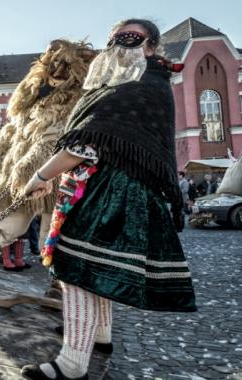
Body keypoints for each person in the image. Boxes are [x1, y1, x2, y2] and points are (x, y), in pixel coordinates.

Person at [20, 19, 196, 380]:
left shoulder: (138, 85)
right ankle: (100, 336)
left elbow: (87, 144)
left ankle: (71, 366)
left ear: (151, 46)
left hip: (110, 193)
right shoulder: (147, 81)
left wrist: (40, 177)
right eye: (115, 38)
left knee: (77, 270)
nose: (120, 44)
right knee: (97, 269)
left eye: (131, 38)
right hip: (115, 190)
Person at [0, 39, 96, 274]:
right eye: (54, 64)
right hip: (19, 170)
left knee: (54, 227)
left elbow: (52, 140)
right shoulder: (31, 97)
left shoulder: (74, 102)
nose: (58, 70)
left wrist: (30, 166)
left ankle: (58, 283)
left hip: (56, 174)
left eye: (65, 66)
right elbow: (12, 130)